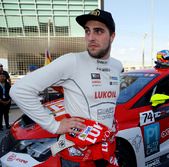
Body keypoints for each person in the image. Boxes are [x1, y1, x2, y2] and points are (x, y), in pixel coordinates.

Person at [10, 9, 123, 167]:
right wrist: (54, 126)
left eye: (98, 31)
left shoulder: (117, 66)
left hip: (107, 150)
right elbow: (19, 90)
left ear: (112, 36)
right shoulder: (72, 61)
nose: (90, 37)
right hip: (77, 155)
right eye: (87, 31)